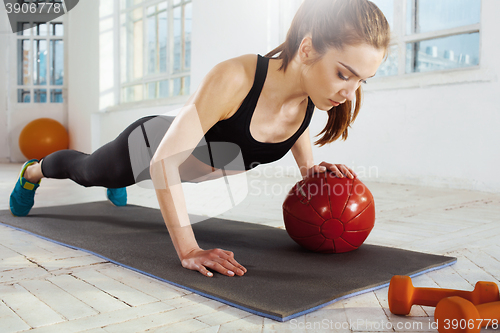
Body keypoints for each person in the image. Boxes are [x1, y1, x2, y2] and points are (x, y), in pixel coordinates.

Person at [10, 0, 390, 278]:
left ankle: (112, 188)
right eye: (344, 74)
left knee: (110, 177)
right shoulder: (235, 78)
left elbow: (294, 121)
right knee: (89, 170)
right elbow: (162, 162)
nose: (350, 92)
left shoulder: (308, 94)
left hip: (185, 165)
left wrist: (309, 171)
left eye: (361, 81)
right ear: (307, 48)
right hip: (148, 147)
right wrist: (189, 250)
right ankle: (34, 171)